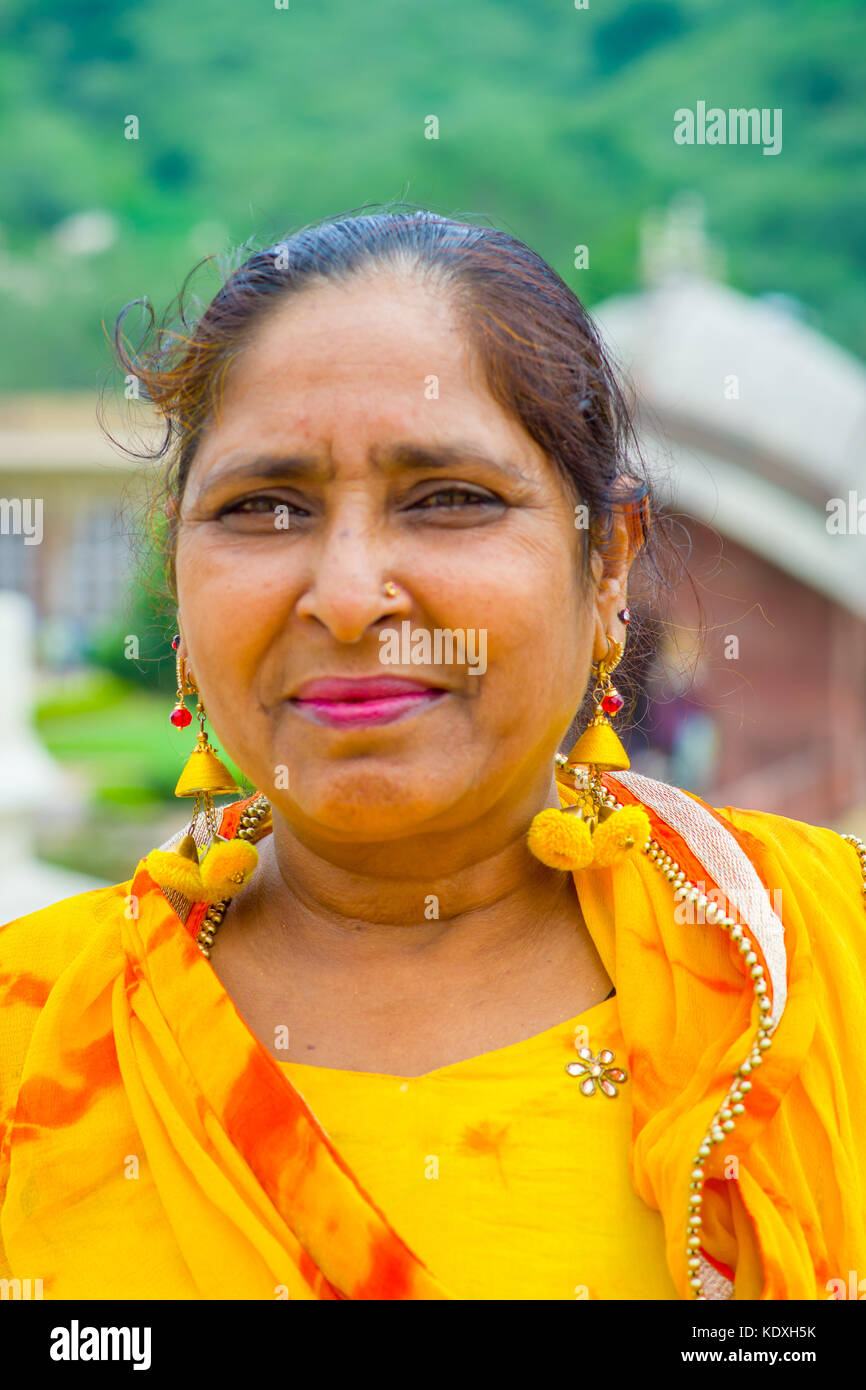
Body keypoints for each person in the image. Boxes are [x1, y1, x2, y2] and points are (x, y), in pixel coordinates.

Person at [1, 208, 864, 1302]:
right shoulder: (33, 1037)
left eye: (448, 499)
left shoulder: (817, 971)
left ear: (607, 568)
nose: (351, 596)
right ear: (178, 571)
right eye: (262, 507)